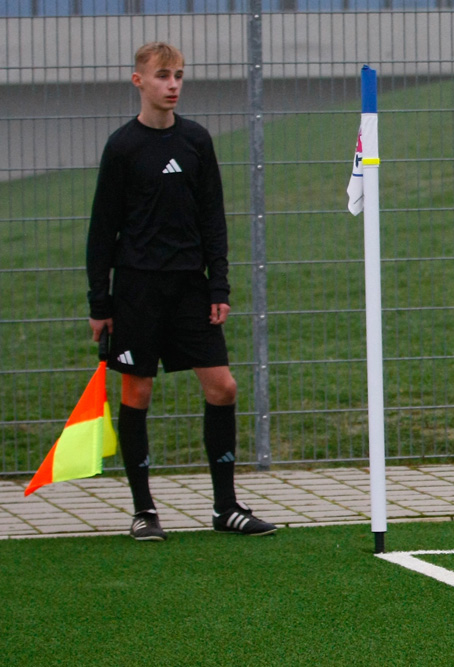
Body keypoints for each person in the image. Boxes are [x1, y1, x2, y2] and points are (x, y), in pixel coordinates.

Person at [86, 42, 277, 541]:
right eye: (163, 76)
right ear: (139, 81)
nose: (172, 84)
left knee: (223, 387)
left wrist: (219, 283)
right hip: (137, 293)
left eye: (179, 76)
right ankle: (144, 512)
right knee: (138, 391)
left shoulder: (196, 141)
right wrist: (99, 304)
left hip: (192, 290)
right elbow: (101, 231)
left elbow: (213, 218)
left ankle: (225, 508)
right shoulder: (122, 147)